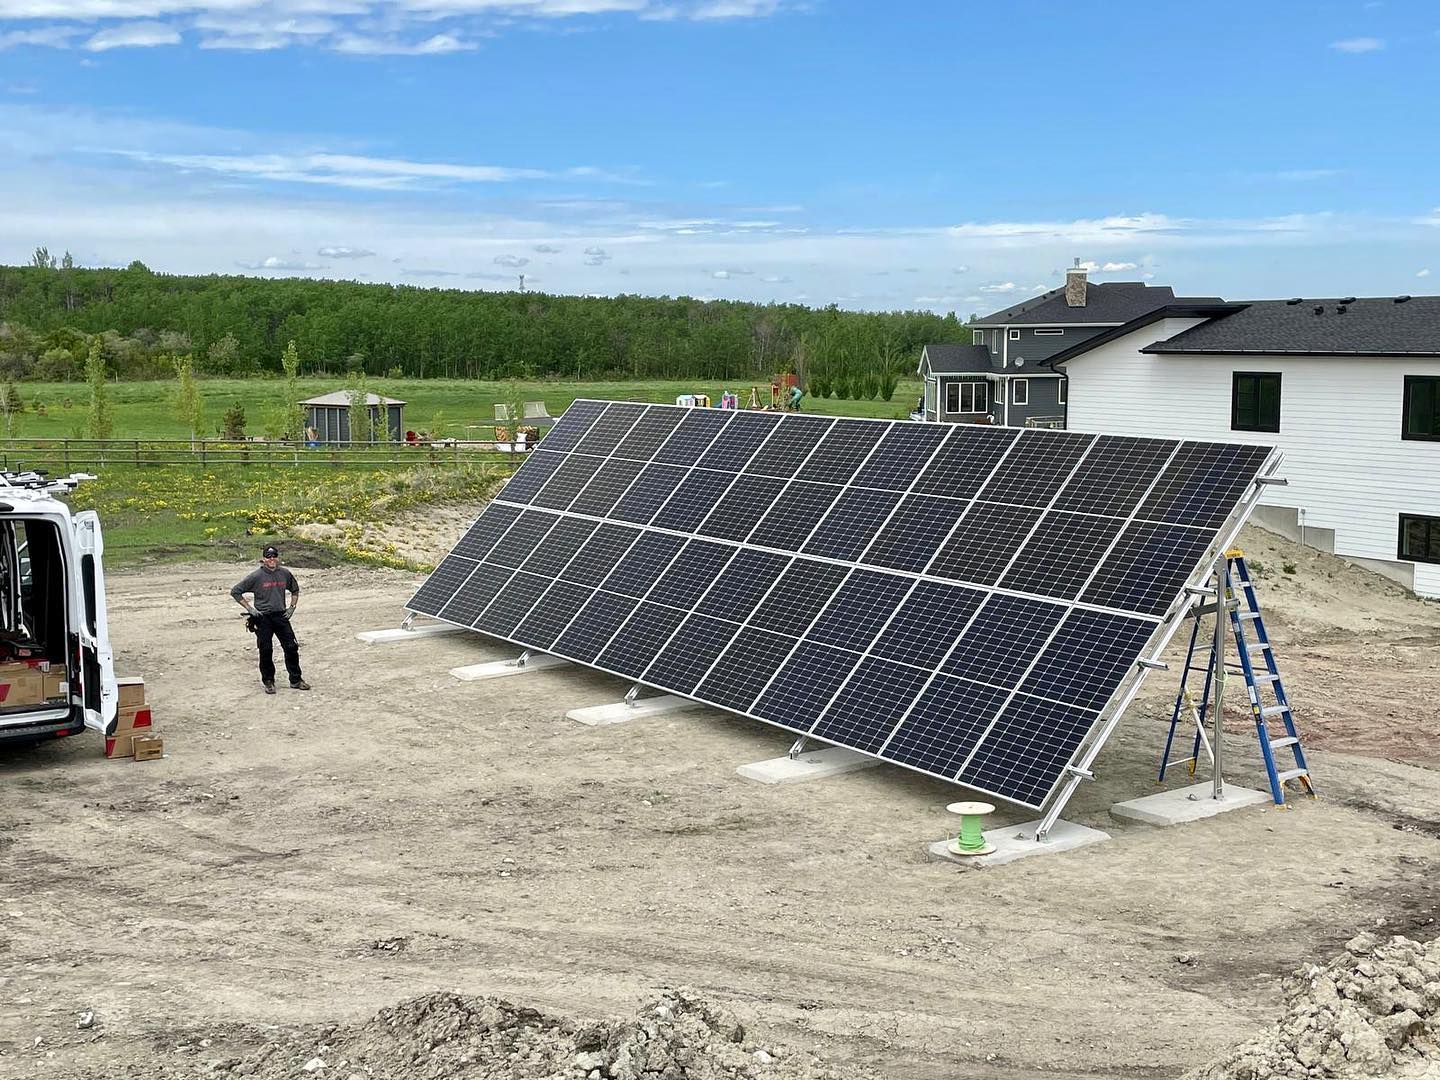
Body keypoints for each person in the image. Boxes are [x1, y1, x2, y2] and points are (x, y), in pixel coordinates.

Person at [231, 545, 310, 694]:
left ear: (277, 558)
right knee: (266, 650)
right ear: (263, 559)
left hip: (281, 616)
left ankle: (296, 680)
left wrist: (292, 607)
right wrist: (250, 609)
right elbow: (235, 591)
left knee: (291, 647)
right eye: (268, 557)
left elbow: (295, 590)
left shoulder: (285, 573)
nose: (271, 559)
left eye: (274, 556)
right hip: (263, 618)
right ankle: (268, 681)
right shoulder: (256, 576)